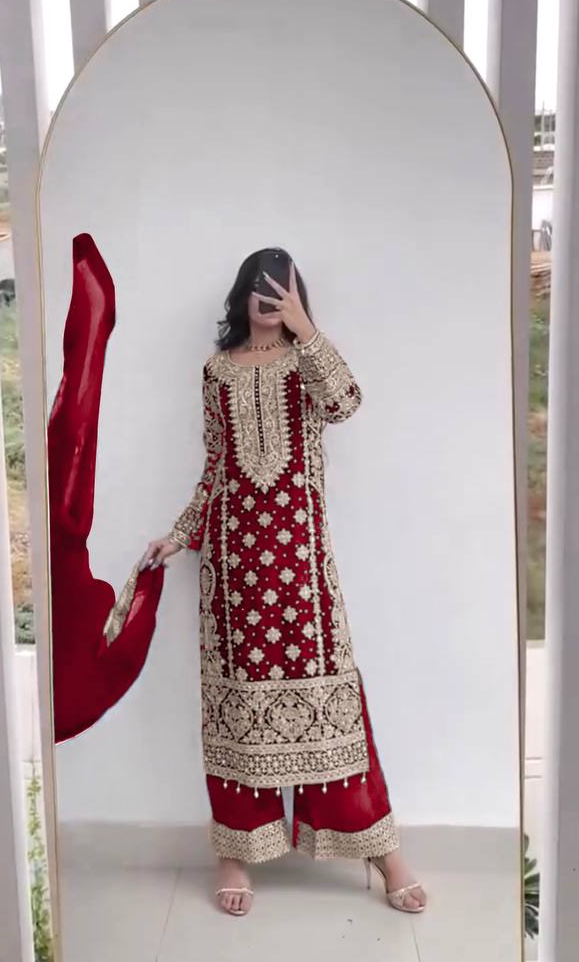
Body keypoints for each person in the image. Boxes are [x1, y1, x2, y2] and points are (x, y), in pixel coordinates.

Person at [142, 248, 427, 918]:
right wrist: (179, 533)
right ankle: (235, 853)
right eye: (259, 289)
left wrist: (307, 330)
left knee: (331, 700)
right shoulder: (216, 371)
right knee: (239, 704)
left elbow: (346, 402)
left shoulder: (308, 362)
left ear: (297, 297)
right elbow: (216, 467)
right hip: (232, 566)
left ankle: (381, 850)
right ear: (241, 295)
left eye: (283, 291)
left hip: (301, 562)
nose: (268, 301)